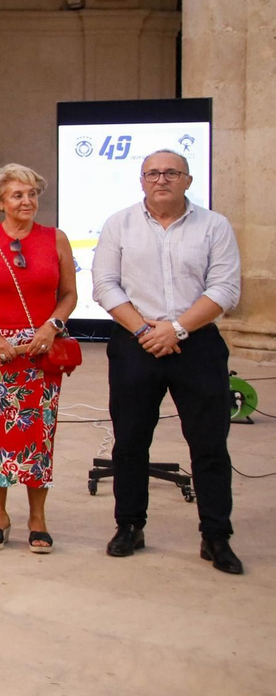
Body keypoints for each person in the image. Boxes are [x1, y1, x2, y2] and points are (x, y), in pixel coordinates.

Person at [92, 149, 243, 574]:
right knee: (130, 441)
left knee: (209, 444)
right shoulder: (119, 224)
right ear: (141, 181)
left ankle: (216, 536)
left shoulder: (214, 226)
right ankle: (129, 526)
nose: (162, 180)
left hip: (197, 344)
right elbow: (105, 285)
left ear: (188, 180)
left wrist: (175, 329)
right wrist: (145, 330)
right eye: (153, 173)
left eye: (172, 173)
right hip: (135, 342)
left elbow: (225, 288)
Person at [0, 164, 77, 553]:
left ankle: (37, 517)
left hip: (41, 352)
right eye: (17, 195)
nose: (27, 201)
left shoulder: (56, 239)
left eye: (32, 194)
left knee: (40, 435)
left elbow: (69, 294)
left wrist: (52, 327)